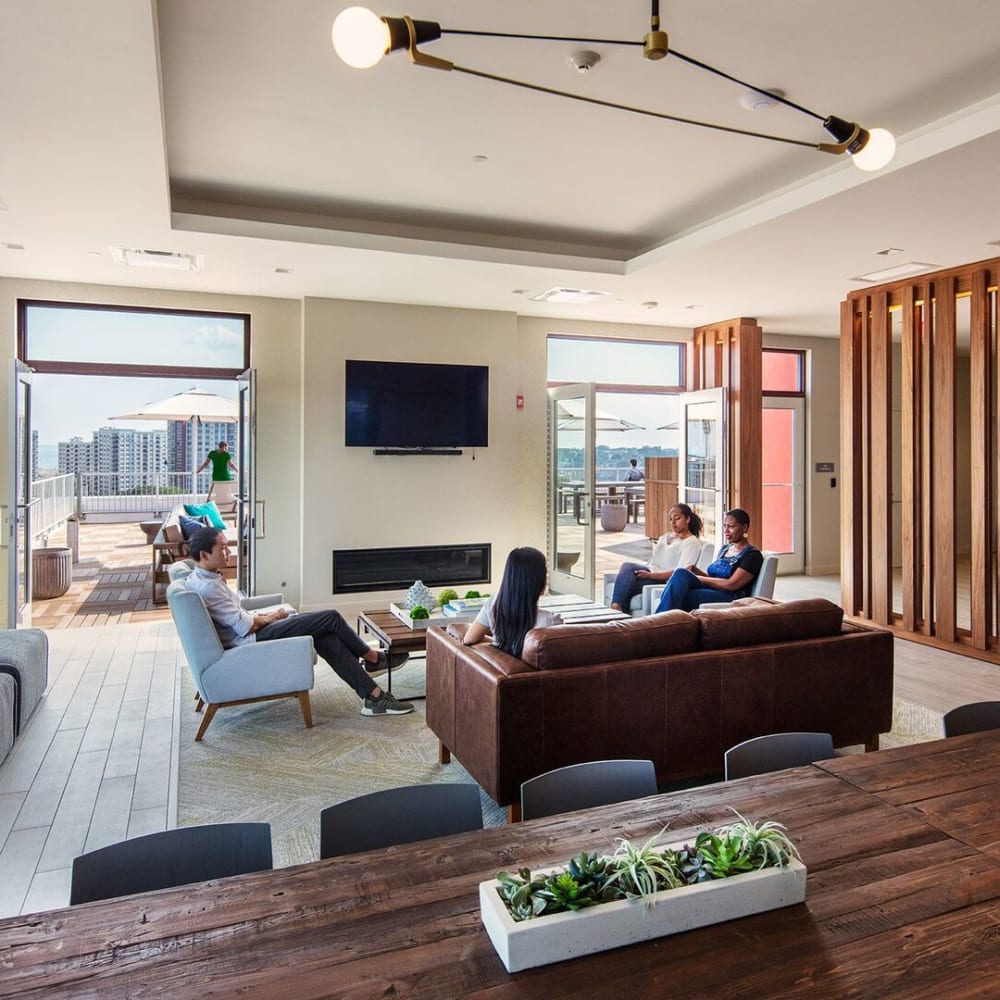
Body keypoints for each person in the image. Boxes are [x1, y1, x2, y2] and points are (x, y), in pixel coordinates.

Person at [185, 526, 414, 717]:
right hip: (251, 640)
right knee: (331, 617)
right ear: (204, 555)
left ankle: (373, 697)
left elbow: (239, 617)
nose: (228, 551)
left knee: (327, 638)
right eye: (222, 547)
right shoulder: (209, 588)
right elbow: (245, 626)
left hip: (251, 634)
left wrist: (270, 614)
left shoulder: (206, 579)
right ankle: (372, 657)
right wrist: (273, 616)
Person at [653, 508, 763, 613]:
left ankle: (657, 624)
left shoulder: (752, 555)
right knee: (681, 574)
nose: (726, 531)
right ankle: (661, 624)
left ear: (744, 527)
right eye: (724, 526)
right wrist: (697, 572)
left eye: (731, 526)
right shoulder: (725, 549)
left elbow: (731, 584)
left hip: (729, 596)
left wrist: (698, 578)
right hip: (713, 590)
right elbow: (714, 579)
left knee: (677, 592)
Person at [462, 546, 562, 657]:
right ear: (537, 580)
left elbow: (469, 639)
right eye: (545, 573)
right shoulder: (550, 621)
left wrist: (498, 643)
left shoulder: (493, 603)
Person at [609, 503, 703, 612]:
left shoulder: (691, 542)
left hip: (664, 580)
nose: (673, 522)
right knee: (627, 567)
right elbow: (653, 561)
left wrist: (650, 576)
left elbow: (681, 572)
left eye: (677, 518)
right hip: (650, 571)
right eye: (670, 519)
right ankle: (617, 609)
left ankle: (617, 611)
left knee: (626, 586)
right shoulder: (665, 537)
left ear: (687, 519)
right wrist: (644, 572)